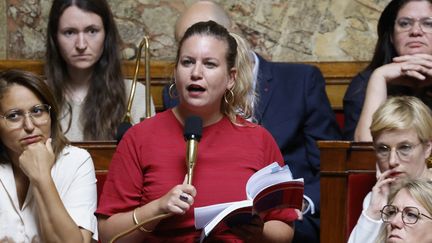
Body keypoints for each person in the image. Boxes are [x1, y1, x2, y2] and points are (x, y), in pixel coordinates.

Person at [96, 21, 299, 242]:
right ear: (175, 71)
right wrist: (156, 209)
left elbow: (284, 231)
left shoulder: (259, 139)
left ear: (230, 78)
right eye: (187, 62)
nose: (195, 73)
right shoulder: (139, 137)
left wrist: (259, 233)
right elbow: (108, 235)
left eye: (210, 64)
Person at [162, 1, 342, 242]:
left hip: (291, 220)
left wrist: (301, 203)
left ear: (233, 32)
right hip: (208, 220)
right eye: (189, 43)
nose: (202, 45)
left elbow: (331, 164)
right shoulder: (179, 93)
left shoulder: (300, 81)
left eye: (212, 32)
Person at [0, 69, 97, 242]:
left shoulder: (76, 161)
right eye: (14, 116)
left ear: (50, 115)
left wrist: (42, 177)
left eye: (37, 111)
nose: (29, 126)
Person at [45, 0, 154, 141]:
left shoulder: (134, 94)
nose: (81, 45)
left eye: (92, 31)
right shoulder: (37, 94)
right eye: (70, 32)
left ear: (106, 35)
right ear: (55, 37)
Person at [344, 0, 432, 141]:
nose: (415, 31)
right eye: (405, 23)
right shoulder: (365, 82)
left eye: (428, 23)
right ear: (391, 35)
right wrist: (379, 78)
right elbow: (365, 155)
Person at [348, 96, 432, 243]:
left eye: (405, 148)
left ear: (427, 148)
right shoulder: (377, 198)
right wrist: (373, 213)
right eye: (383, 149)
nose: (392, 161)